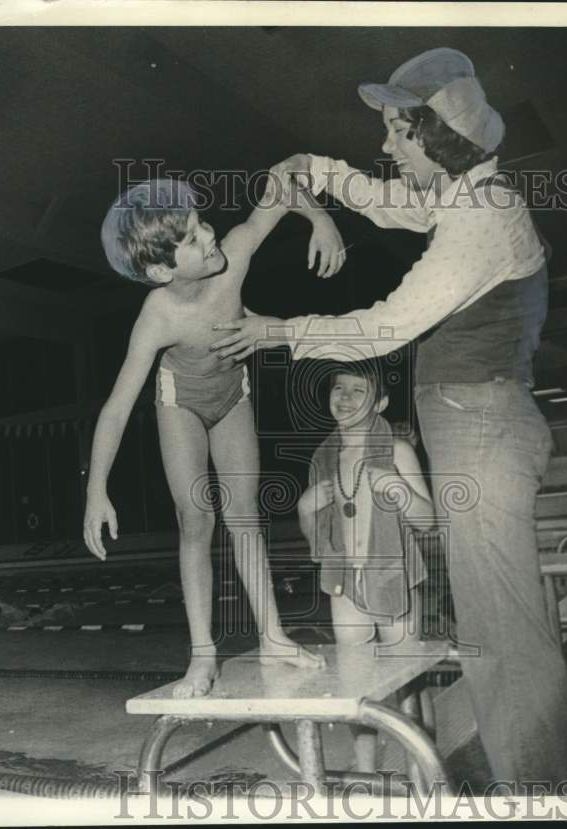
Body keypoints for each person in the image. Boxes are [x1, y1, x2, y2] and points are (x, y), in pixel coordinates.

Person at [211, 47, 567, 785]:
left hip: (484, 429)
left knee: (503, 634)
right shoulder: (464, 196)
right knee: (491, 627)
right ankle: (528, 780)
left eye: (394, 133)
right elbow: (387, 202)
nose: (384, 147)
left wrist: (277, 330)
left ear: (431, 136)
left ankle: (538, 795)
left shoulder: (482, 217)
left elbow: (385, 327)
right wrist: (314, 169)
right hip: (479, 425)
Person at [84, 172, 341, 697]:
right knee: (196, 518)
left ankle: (273, 636)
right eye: (195, 239)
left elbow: (280, 187)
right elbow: (116, 408)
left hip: (232, 395)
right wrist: (95, 491)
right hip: (181, 402)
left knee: (245, 515)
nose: (211, 236)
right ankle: (202, 656)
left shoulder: (234, 258)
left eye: (203, 223)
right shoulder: (157, 316)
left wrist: (320, 218)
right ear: (160, 269)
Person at [298, 360, 433, 772]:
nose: (346, 398)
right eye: (339, 389)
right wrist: (305, 509)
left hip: (395, 575)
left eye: (359, 391)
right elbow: (316, 540)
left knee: (409, 678)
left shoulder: (398, 451)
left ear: (381, 402)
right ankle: (365, 771)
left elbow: (427, 521)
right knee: (358, 684)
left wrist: (403, 495)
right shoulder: (323, 458)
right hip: (346, 584)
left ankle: (422, 767)